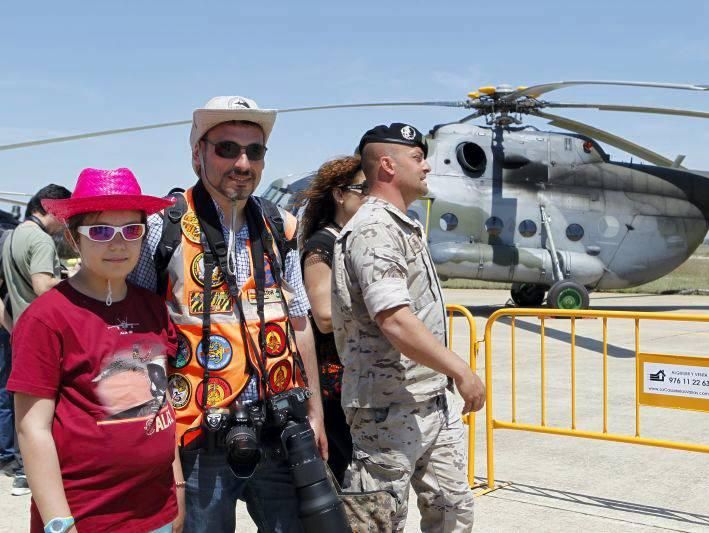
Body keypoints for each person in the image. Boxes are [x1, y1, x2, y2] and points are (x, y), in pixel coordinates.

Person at [129, 95, 325, 533]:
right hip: (199, 439)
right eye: (227, 149)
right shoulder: (166, 226)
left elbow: (298, 322)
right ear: (197, 154)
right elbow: (139, 340)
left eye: (254, 151)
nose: (242, 162)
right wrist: (150, 436)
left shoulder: (281, 224)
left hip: (279, 428)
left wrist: (315, 413)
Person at [332, 123, 486, 532]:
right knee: (379, 521)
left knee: (453, 510)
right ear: (387, 165)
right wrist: (461, 370)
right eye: (418, 158)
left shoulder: (403, 224)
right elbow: (395, 319)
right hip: (387, 407)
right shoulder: (374, 230)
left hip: (429, 398)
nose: (428, 166)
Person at [8, 167, 179, 532]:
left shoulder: (153, 308)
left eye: (132, 231)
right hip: (86, 517)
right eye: (100, 231)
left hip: (157, 512)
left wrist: (177, 487)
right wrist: (58, 521)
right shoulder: (47, 318)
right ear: (73, 239)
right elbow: (32, 428)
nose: (118, 244)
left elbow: (159, 403)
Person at [299, 155, 367, 484]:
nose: (370, 197)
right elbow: (324, 316)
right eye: (362, 189)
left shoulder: (353, 240)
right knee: (347, 479)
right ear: (339, 195)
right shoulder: (323, 245)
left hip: (358, 381)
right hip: (335, 388)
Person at [1, 184, 71, 496]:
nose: (66, 221)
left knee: (24, 407)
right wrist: (77, 283)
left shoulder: (12, 235)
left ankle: (20, 468)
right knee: (49, 407)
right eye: (65, 213)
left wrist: (13, 328)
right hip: (44, 336)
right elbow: (43, 286)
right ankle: (36, 474)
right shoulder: (41, 240)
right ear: (52, 209)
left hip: (21, 333)